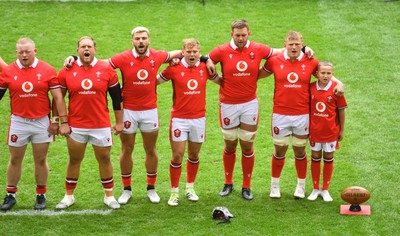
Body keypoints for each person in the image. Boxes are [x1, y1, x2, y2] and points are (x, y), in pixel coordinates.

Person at [207, 19, 306, 200]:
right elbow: (205, 61)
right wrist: (217, 78)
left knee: (247, 144)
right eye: (237, 35)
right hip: (228, 104)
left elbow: (280, 51)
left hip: (249, 105)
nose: (241, 38)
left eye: (244, 35)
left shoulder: (258, 48)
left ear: (249, 34)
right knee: (229, 144)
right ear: (231, 35)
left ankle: (247, 186)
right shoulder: (221, 50)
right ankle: (228, 183)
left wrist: (305, 49)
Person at [258, 31, 344, 199]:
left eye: (297, 44)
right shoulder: (274, 61)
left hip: (302, 115)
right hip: (280, 114)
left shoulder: (311, 62)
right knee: (279, 150)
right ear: (285, 45)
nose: (294, 47)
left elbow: (325, 75)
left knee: (300, 150)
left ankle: (301, 187)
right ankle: (274, 186)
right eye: (291, 44)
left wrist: (340, 83)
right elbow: (256, 75)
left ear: (302, 45)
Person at [0, 37, 69, 211]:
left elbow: (58, 97)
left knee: (41, 159)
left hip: (41, 122)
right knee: (15, 159)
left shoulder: (47, 70)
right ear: (16, 52)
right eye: (20, 52)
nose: (24, 55)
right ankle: (10, 194)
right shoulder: (8, 71)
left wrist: (57, 121)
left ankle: (41, 195)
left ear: (35, 51)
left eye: (27, 52)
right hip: (18, 122)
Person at [55, 36, 123, 209]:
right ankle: (69, 196)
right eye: (83, 47)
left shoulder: (106, 69)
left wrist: (119, 122)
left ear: (95, 49)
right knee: (74, 159)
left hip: (100, 125)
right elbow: (58, 98)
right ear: (77, 50)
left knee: (105, 158)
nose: (86, 49)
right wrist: (59, 122)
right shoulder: (66, 70)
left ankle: (109, 196)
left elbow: (116, 98)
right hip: (76, 126)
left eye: (89, 46)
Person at [157, 38, 220, 206]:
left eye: (195, 52)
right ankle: (174, 192)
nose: (192, 55)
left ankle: (190, 188)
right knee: (177, 155)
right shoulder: (174, 68)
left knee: (193, 155)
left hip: (199, 119)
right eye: (188, 52)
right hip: (179, 118)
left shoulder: (205, 67)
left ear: (199, 52)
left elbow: (221, 82)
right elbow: (154, 81)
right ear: (182, 52)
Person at [307, 61, 347, 202]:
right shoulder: (311, 88)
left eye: (328, 73)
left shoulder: (337, 90)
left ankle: (325, 190)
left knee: (328, 157)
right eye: (323, 73)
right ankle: (315, 188)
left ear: (332, 74)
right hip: (315, 131)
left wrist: (341, 129)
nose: (325, 76)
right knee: (315, 156)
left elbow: (341, 111)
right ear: (317, 74)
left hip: (331, 131)